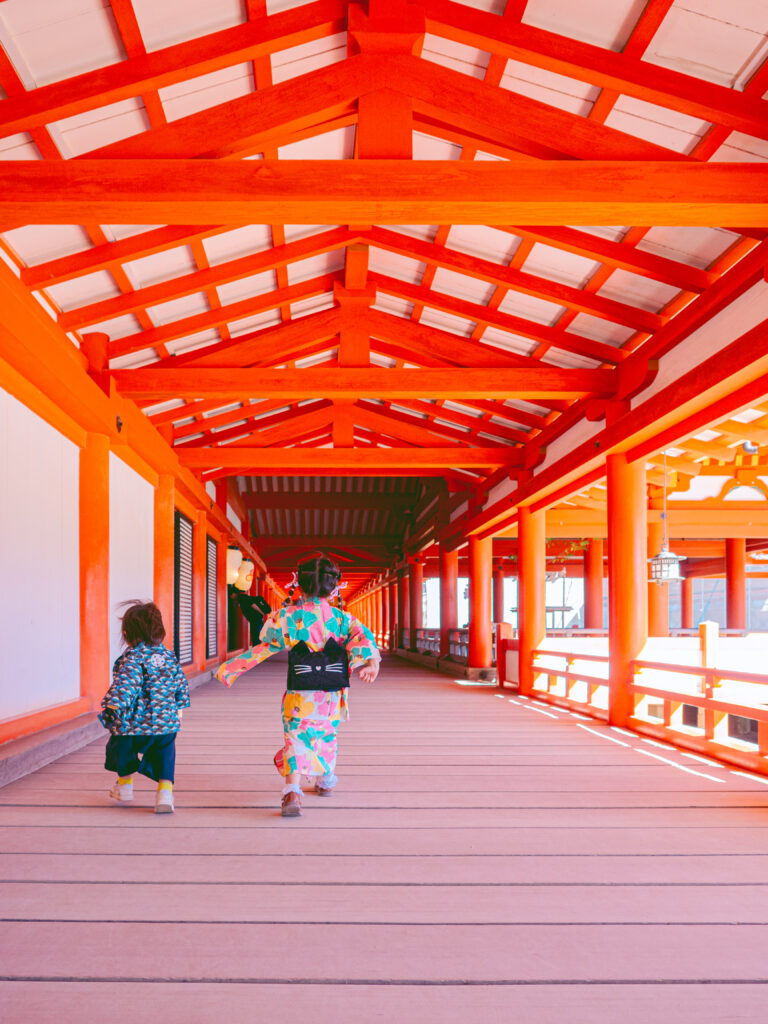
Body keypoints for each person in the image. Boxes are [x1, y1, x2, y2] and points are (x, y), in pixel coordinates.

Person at [216, 554, 380, 817]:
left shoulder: (289, 616)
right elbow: (364, 638)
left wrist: (274, 620)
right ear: (335, 586)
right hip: (330, 692)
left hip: (300, 688)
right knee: (326, 733)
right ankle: (325, 781)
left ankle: (292, 791)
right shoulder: (342, 619)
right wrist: (372, 664)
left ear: (299, 584)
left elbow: (266, 636)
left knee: (296, 735)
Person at [100, 601, 190, 814]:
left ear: (127, 633)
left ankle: (125, 786)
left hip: (135, 722)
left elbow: (126, 685)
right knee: (166, 753)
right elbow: (181, 685)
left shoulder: (133, 658)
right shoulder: (170, 657)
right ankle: (165, 793)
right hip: (166, 722)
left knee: (120, 745)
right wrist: (179, 706)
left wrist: (113, 706)